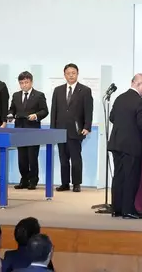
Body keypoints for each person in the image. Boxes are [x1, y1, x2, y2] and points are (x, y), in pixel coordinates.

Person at [107, 73, 142, 219]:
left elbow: (112, 117)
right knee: (131, 177)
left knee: (118, 177)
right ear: (139, 84)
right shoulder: (140, 102)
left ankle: (117, 209)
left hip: (117, 143)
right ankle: (128, 210)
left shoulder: (119, 98)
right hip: (131, 146)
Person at [51, 63, 93, 193]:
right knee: (63, 159)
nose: (71, 75)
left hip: (76, 130)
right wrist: (53, 129)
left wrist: (87, 126)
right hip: (60, 130)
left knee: (75, 158)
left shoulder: (85, 90)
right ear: (64, 75)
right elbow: (54, 111)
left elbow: (88, 110)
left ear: (77, 74)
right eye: (68, 73)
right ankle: (64, 183)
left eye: (73, 73)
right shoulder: (58, 90)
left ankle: (76, 183)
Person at [8, 72, 49, 190]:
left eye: (26, 82)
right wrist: (10, 114)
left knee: (32, 157)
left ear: (31, 82)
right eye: (21, 83)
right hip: (19, 129)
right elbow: (12, 109)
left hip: (33, 130)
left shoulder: (39, 95)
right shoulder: (16, 95)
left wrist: (36, 115)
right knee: (22, 157)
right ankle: (24, 180)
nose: (24, 85)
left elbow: (45, 111)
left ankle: (33, 180)